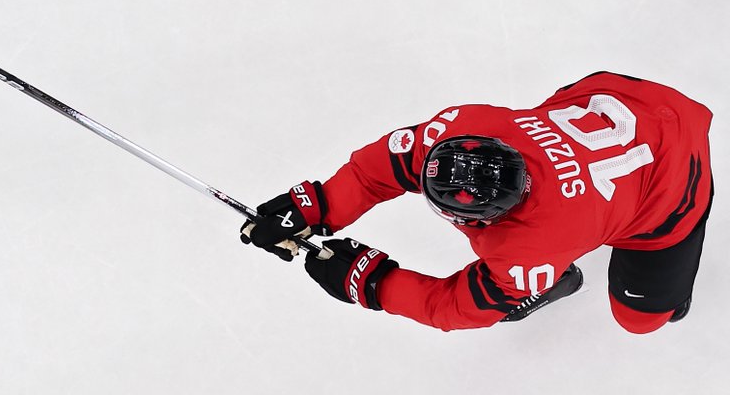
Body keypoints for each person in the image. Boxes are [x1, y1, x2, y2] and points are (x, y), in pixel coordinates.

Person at [240, 72, 712, 332]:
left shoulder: (531, 247)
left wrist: (375, 284)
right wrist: (316, 206)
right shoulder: (462, 129)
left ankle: (648, 293)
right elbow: (378, 169)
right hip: (627, 100)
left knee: (642, 320)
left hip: (675, 182)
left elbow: (457, 306)